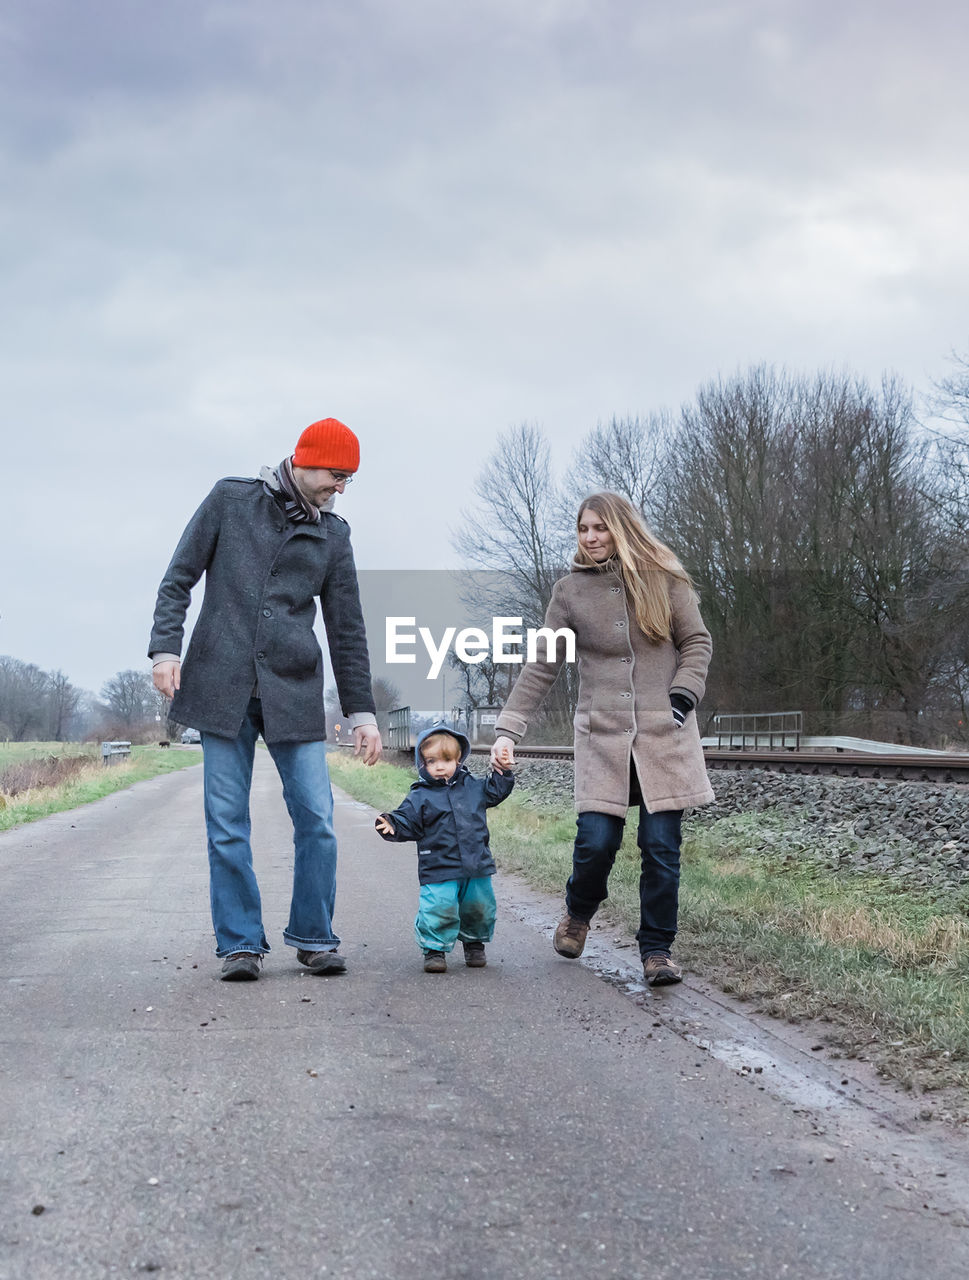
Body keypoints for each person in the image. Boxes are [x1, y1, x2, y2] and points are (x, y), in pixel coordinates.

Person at [149, 417, 382, 981]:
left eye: (349, 479)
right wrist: (164, 650)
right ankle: (240, 945)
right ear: (304, 460)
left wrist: (363, 712)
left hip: (293, 691)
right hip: (219, 685)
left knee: (318, 820)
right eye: (336, 474)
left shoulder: (335, 535)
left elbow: (346, 628)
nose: (341, 488)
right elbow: (178, 577)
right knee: (227, 822)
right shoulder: (231, 501)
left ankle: (313, 936)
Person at [490, 492, 713, 986]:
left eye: (600, 528)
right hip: (603, 739)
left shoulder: (667, 581)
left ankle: (657, 950)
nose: (590, 537)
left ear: (622, 529)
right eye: (583, 529)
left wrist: (683, 695)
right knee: (597, 841)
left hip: (664, 733)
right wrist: (509, 729)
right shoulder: (569, 592)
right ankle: (578, 911)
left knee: (660, 846)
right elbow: (544, 663)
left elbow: (697, 641)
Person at [375, 726, 514, 973]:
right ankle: (434, 949)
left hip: (476, 863)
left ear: (458, 760)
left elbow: (496, 791)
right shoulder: (420, 795)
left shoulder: (472, 786)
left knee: (479, 907)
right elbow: (407, 819)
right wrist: (392, 824)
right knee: (439, 907)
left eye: (446, 760)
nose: (440, 766)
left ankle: (474, 944)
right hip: (438, 865)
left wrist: (502, 771)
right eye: (432, 761)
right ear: (422, 763)